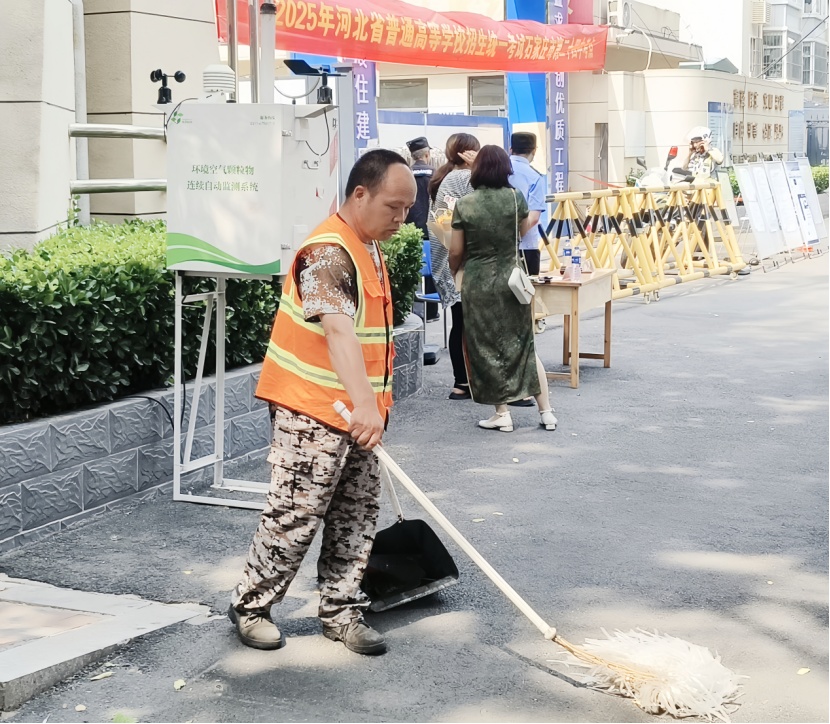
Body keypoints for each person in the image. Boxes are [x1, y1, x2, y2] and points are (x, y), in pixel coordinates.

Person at [229, 149, 417, 655]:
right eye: (393, 207)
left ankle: (340, 609)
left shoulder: (368, 244)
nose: (402, 219)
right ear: (360, 194)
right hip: (313, 408)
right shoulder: (327, 252)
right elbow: (337, 332)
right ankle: (251, 605)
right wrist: (364, 406)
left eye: (407, 209)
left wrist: (369, 408)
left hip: (357, 411)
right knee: (296, 511)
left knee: (356, 512)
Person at [448, 145, 557, 433]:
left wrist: (453, 268)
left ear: (478, 169)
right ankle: (546, 412)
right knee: (524, 345)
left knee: (486, 346)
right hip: (513, 280)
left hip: (479, 281)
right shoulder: (514, 197)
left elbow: (456, 250)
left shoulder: (466, 204)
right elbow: (519, 232)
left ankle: (502, 413)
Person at [428, 132, 480, 400]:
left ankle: (461, 381)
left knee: (459, 323)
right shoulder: (465, 178)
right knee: (473, 324)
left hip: (445, 259)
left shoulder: (441, 178)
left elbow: (438, 225)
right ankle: (473, 379)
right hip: (463, 261)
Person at [405, 136, 438, 321]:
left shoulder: (406, 174)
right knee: (433, 271)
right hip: (433, 231)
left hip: (411, 231)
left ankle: (415, 312)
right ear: (427, 154)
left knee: (414, 272)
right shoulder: (436, 174)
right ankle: (432, 312)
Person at [507, 132, 547, 276]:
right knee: (526, 293)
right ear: (534, 151)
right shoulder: (535, 177)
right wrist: (515, 235)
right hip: (526, 245)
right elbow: (534, 217)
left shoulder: (497, 170)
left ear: (511, 149)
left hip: (496, 247)